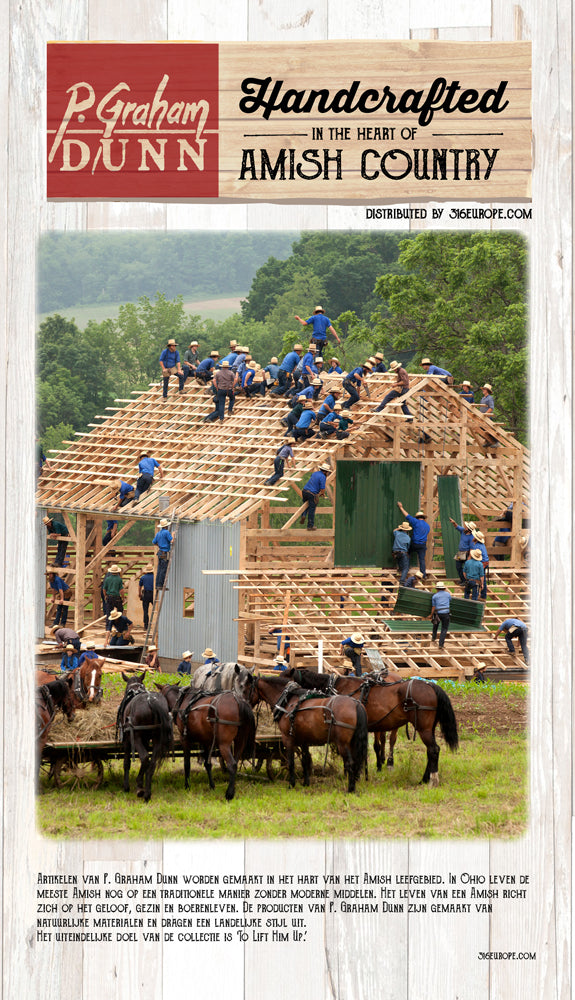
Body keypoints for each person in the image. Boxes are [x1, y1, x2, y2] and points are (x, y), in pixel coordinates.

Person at [397, 501, 431, 577]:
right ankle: (423, 574)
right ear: (423, 518)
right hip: (422, 545)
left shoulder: (415, 522)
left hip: (415, 543)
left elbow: (407, 515)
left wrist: (401, 507)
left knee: (407, 553)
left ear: (417, 517)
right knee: (422, 560)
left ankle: (405, 568)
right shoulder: (427, 526)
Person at [300, 464, 330, 531]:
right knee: (312, 509)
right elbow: (322, 488)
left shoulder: (315, 473)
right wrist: (322, 494)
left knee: (306, 505)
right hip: (312, 493)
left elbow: (313, 482)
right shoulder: (323, 477)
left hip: (304, 491)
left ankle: (303, 515)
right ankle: (310, 526)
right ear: (326, 471)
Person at [448, 517, 477, 583]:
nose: (465, 527)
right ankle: (463, 580)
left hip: (466, 553)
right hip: (460, 552)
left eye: (467, 527)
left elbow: (471, 548)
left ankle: (466, 581)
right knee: (458, 566)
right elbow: (457, 527)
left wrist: (469, 557)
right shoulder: (463, 531)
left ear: (469, 530)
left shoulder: (471, 537)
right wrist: (453, 522)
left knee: (466, 568)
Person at [103, 564, 124, 643]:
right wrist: (123, 597)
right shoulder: (119, 579)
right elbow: (121, 590)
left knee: (109, 612)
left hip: (109, 597)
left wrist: (105, 596)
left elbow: (104, 589)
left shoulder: (107, 579)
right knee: (120, 611)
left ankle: (108, 628)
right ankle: (120, 627)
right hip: (117, 597)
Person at [152, 518, 173, 589]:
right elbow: (172, 541)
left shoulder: (158, 533)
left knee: (159, 569)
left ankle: (157, 585)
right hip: (165, 553)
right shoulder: (166, 532)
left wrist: (160, 545)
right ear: (166, 526)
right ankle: (161, 585)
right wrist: (173, 534)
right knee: (163, 570)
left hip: (160, 552)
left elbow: (154, 542)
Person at [431, 581, 451, 648]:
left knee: (435, 625)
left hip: (438, 613)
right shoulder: (448, 595)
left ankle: (433, 637)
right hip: (446, 613)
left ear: (437, 589)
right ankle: (441, 644)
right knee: (444, 629)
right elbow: (449, 600)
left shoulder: (435, 596)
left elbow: (433, 607)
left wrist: (431, 615)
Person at [392, 521, 412, 586]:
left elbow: (394, 530)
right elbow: (408, 547)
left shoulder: (397, 533)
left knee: (400, 562)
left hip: (395, 552)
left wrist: (399, 528)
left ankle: (400, 569)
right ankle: (402, 581)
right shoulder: (408, 538)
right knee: (406, 568)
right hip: (403, 552)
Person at [472, 529, 489, 598]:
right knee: (482, 577)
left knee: (480, 578)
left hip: (482, 563)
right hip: (485, 562)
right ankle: (482, 594)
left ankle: (482, 595)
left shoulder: (477, 546)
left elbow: (476, 557)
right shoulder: (481, 545)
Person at [139, 563, 154, 630]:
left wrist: (139, 594)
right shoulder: (155, 576)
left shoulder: (143, 577)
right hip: (153, 594)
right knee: (157, 609)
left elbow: (139, 586)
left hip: (146, 594)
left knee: (145, 610)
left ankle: (146, 626)